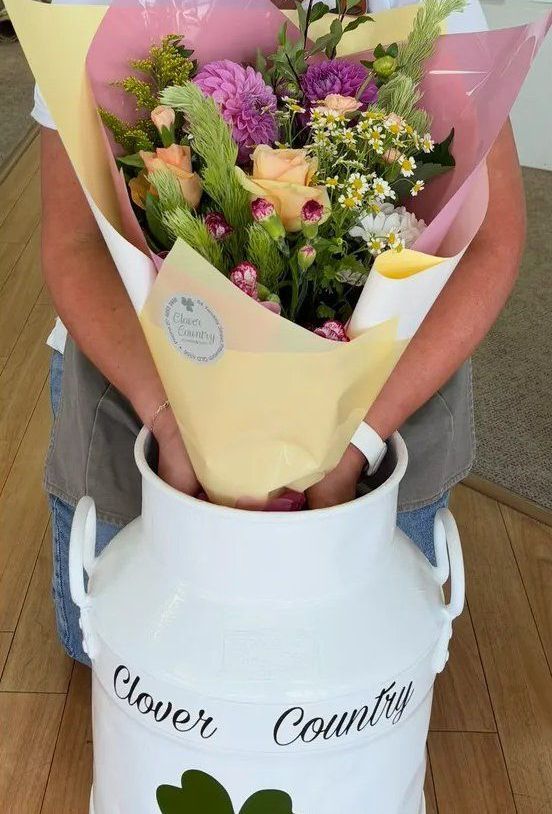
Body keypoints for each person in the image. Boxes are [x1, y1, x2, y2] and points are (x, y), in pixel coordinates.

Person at [34, 0, 525, 665]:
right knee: (122, 656)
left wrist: (356, 439)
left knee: (359, 661)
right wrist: (174, 424)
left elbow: (490, 241)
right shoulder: (96, 11)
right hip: (142, 386)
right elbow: (75, 242)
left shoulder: (427, 14)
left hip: (389, 402)